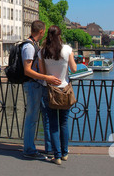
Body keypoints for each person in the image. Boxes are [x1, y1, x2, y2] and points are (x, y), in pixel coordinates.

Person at [22, 20, 61, 160]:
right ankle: (29, 149)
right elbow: (27, 71)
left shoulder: (33, 45)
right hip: (32, 85)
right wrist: (47, 77)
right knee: (31, 118)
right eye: (44, 31)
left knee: (33, 118)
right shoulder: (29, 47)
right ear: (41, 31)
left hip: (36, 85)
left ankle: (31, 148)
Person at [38, 25, 77, 165]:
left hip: (49, 90)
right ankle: (65, 153)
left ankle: (57, 156)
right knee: (64, 122)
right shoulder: (67, 49)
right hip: (64, 89)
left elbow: (43, 73)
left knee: (53, 124)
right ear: (60, 35)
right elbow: (74, 68)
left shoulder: (42, 51)